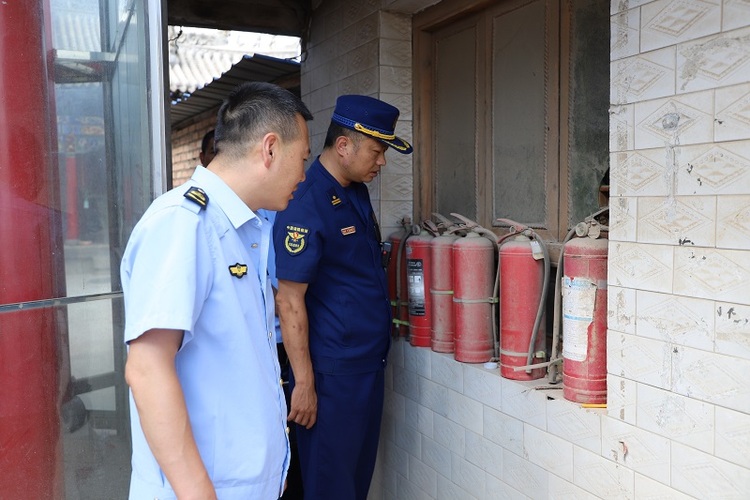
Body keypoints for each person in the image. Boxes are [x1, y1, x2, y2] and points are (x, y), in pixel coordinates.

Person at [121, 81, 312, 499]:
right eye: (302, 159)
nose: (303, 174)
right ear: (270, 149)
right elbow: (147, 369)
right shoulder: (184, 224)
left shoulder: (247, 229)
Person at [274, 95, 413, 499]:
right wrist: (304, 383)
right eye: (376, 150)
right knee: (329, 485)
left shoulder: (354, 191)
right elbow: (289, 299)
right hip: (332, 376)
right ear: (344, 145)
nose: (382, 161)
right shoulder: (306, 202)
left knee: (354, 481)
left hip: (365, 366)